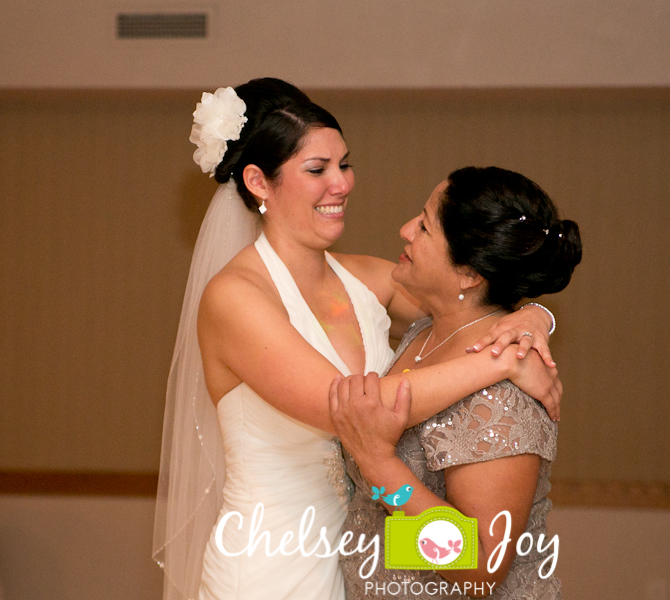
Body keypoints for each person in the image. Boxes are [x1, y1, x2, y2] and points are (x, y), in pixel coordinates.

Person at [152, 79, 562, 600]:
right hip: (274, 564)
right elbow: (348, 411)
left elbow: (471, 297)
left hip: (369, 552)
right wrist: (498, 364)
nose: (341, 183)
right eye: (317, 170)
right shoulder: (235, 298)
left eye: (344, 164)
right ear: (258, 182)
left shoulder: (369, 279)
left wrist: (535, 318)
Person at [331, 167, 582, 599]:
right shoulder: (428, 331)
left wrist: (380, 467)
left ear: (468, 273)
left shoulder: (503, 397)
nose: (406, 230)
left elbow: (482, 566)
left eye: (425, 225)